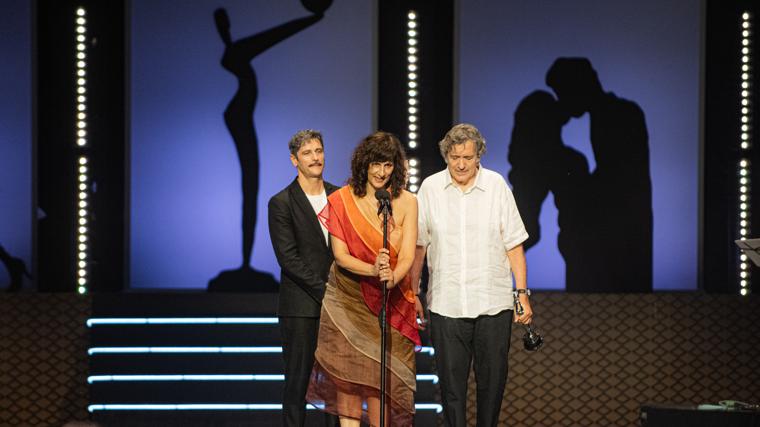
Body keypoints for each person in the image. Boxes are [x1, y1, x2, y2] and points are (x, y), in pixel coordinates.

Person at [410, 123, 533, 427]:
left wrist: (522, 295)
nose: (461, 164)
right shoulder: (430, 188)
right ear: (446, 156)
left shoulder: (496, 186)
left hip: (493, 302)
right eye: (454, 157)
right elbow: (418, 248)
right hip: (447, 304)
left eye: (467, 157)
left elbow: (514, 244)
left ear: (479, 155)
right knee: (451, 391)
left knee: (492, 388)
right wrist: (413, 293)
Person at [306, 131, 423, 427]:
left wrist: (392, 277)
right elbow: (341, 255)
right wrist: (373, 270)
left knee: (380, 382)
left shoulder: (408, 202)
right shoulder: (340, 200)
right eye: (376, 165)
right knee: (349, 380)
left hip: (391, 302)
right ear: (363, 164)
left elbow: (408, 256)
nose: (382, 173)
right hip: (347, 302)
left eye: (388, 165)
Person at [268, 130, 339, 427]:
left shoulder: (340, 196)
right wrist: (327, 292)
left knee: (337, 386)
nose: (315, 158)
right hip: (301, 307)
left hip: (339, 308)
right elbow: (289, 259)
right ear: (294, 160)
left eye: (319, 151)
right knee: (298, 384)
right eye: (308, 153)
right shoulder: (281, 202)